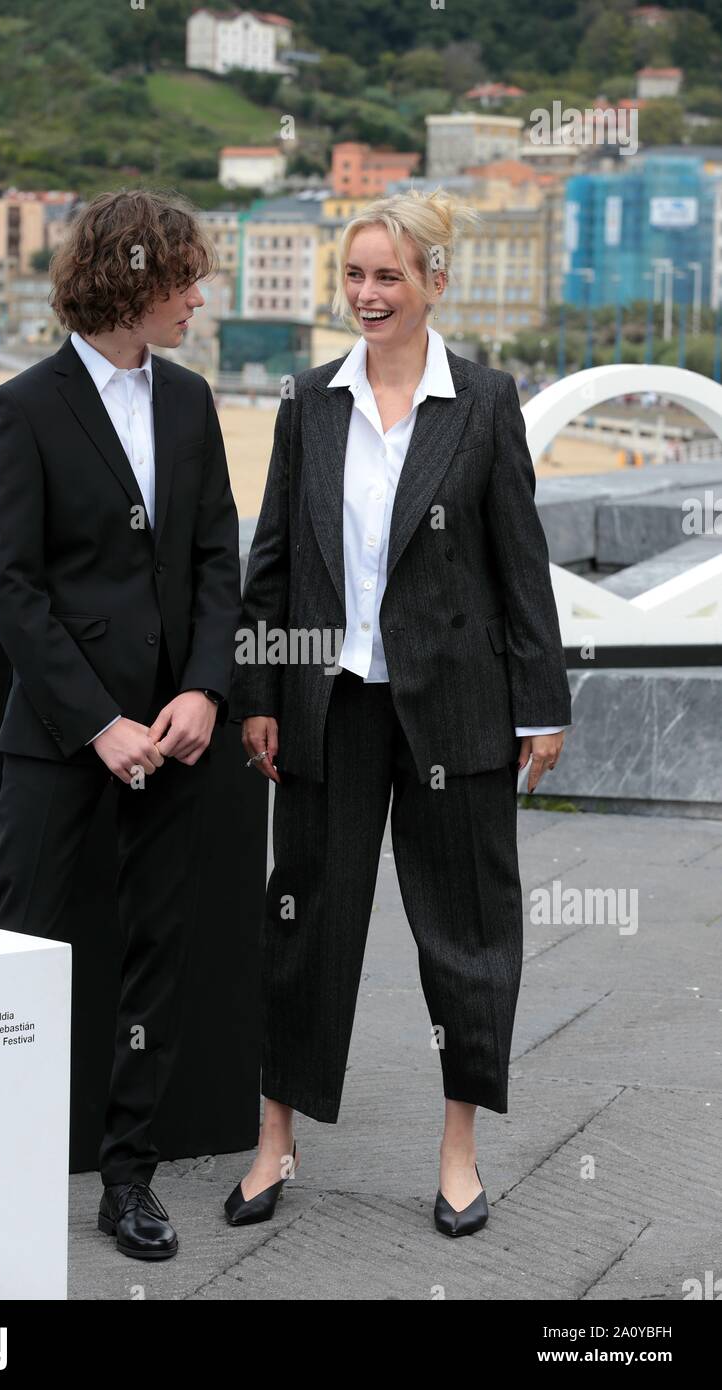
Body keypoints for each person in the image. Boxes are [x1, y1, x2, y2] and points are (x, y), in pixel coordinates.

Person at [226, 188, 572, 1238]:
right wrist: (257, 692)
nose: (367, 295)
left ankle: (457, 1151)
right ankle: (273, 1136)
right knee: (302, 928)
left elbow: (521, 567)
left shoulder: (483, 400)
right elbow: (272, 563)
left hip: (456, 709)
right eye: (354, 275)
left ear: (433, 279)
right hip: (327, 706)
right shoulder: (305, 400)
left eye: (387, 275)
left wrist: (539, 704)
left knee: (466, 933)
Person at [0, 188, 241, 1261]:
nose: (197, 297)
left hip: (176, 737)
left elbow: (220, 558)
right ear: (132, 280)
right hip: (57, 738)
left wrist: (204, 688)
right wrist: (97, 722)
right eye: (184, 279)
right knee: (24, 954)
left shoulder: (190, 401)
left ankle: (127, 1178)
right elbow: (12, 588)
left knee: (154, 958)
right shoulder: (22, 407)